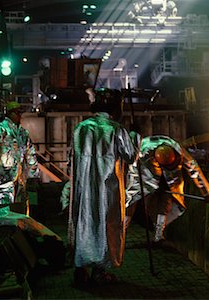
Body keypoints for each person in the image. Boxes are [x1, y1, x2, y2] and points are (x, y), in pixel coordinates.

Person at [67, 88, 137, 287]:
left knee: (84, 222)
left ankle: (80, 269)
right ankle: (100, 270)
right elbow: (130, 156)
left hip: (83, 187)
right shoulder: (116, 129)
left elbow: (70, 159)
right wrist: (134, 135)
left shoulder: (80, 128)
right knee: (106, 226)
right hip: (108, 189)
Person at [126, 135, 209, 243]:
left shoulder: (178, 151)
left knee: (165, 204)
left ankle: (159, 235)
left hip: (168, 180)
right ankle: (121, 232)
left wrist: (207, 193)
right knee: (131, 202)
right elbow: (136, 174)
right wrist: (153, 186)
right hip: (145, 178)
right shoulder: (144, 154)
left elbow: (194, 170)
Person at [0, 101, 40, 215]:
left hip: (20, 176)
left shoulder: (23, 133)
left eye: (19, 113)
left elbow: (30, 153)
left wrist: (33, 174)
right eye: (17, 113)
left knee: (20, 205)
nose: (19, 116)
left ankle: (19, 229)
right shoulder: (1, 131)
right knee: (3, 204)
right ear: (10, 114)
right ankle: (3, 229)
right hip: (5, 175)